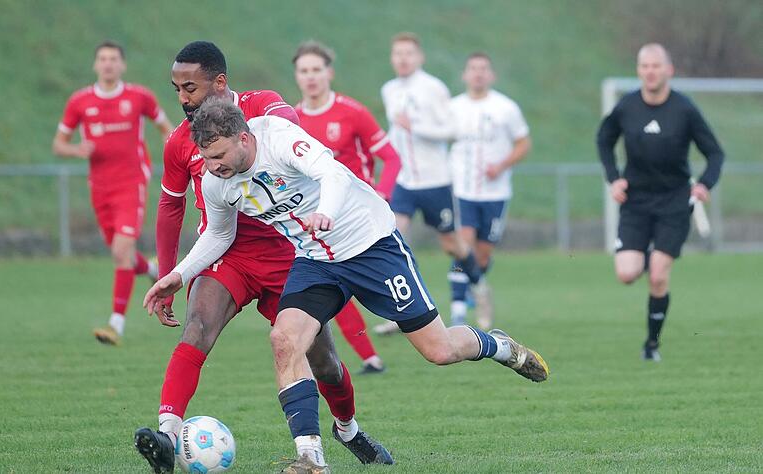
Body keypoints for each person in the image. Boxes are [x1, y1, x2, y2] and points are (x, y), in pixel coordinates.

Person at [144, 99, 549, 473]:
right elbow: (219, 234)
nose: (212, 166)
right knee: (284, 339)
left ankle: (499, 346)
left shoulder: (278, 139)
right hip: (316, 261)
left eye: (218, 156)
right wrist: (178, 275)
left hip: (372, 246)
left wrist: (326, 212)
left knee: (439, 350)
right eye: (206, 158)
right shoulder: (216, 182)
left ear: (244, 139)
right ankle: (311, 458)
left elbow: (331, 172)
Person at [133, 41, 391, 474]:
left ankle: (348, 430)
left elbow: (290, 132)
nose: (183, 99)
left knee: (324, 362)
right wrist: (169, 275)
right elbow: (170, 208)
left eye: (190, 88)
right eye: (176, 89)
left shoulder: (264, 107)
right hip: (225, 253)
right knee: (197, 328)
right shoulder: (180, 142)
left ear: (220, 83)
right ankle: (167, 436)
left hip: (289, 256)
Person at [596, 43, 724, 361]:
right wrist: (614, 178)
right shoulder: (627, 106)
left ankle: (651, 345)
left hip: (674, 202)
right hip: (636, 201)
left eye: (656, 66)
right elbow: (604, 139)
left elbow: (715, 153)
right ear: (638, 70)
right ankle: (647, 256)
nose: (650, 72)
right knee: (627, 274)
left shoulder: (684, 109)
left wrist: (704, 185)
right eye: (645, 66)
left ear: (669, 70)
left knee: (657, 276)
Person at [52, 40, 173, 345]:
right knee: (123, 254)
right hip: (100, 187)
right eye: (103, 59)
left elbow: (166, 128)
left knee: (121, 251)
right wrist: (77, 149)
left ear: (122, 65)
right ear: (96, 65)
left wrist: (175, 155)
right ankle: (152, 269)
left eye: (113, 59)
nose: (108, 64)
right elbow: (58, 144)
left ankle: (116, 323)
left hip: (131, 183)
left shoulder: (139, 97)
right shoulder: (80, 101)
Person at [293, 40, 402, 374]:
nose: (311, 77)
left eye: (316, 69)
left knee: (386, 287)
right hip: (321, 221)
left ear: (329, 73)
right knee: (332, 288)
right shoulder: (291, 120)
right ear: (297, 76)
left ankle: (418, 323)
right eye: (304, 71)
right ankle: (370, 357)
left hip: (361, 218)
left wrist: (382, 193)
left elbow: (391, 158)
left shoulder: (352, 112)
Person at [375, 32, 481, 335]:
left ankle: (479, 285)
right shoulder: (389, 89)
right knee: (390, 237)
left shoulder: (433, 88)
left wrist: (416, 126)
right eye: (398, 53)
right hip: (404, 181)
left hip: (435, 181)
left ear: (419, 57)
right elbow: (396, 131)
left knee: (452, 245)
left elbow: (452, 131)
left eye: (408, 53)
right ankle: (402, 311)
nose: (403, 59)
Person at [448, 52, 531, 328]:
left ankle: (477, 285)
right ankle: (458, 311)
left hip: (496, 193)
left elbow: (523, 143)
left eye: (483, 68)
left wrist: (502, 165)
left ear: (491, 75)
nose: (478, 73)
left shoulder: (505, 108)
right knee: (463, 246)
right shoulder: (452, 108)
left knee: (482, 255)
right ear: (465, 75)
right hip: (462, 191)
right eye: (473, 68)